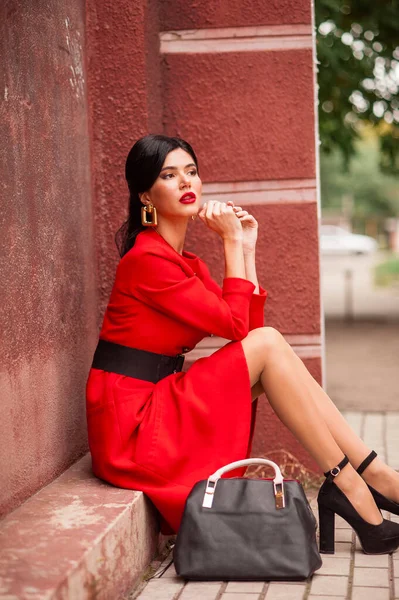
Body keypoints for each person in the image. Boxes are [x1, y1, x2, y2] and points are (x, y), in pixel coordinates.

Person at [86, 134, 399, 555]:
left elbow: (248, 332)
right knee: (268, 346)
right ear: (146, 194)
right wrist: (230, 242)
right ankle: (357, 482)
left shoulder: (184, 263)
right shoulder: (146, 261)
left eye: (191, 171)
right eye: (169, 175)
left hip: (158, 402)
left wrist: (246, 248)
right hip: (133, 426)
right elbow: (244, 332)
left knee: (269, 350)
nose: (185, 182)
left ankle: (366, 476)